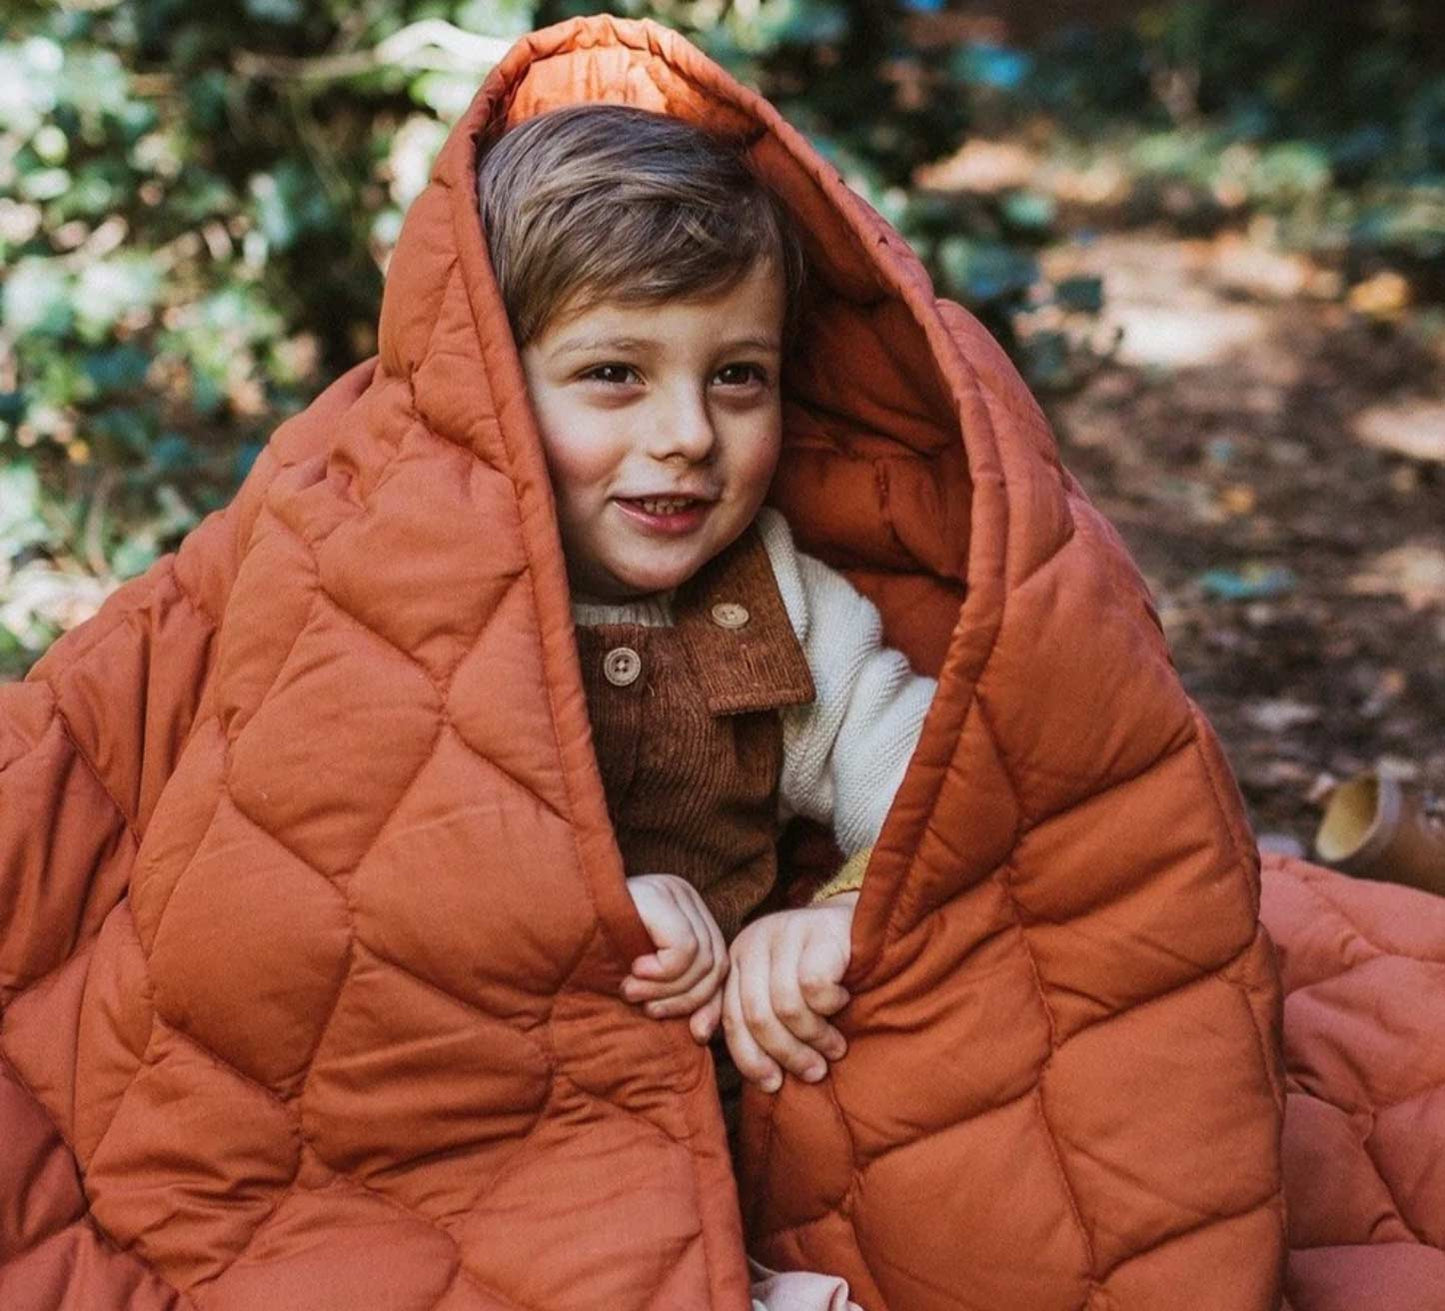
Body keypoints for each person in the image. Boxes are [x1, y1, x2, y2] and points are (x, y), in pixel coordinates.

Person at [477, 103, 937, 1101]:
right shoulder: (431, 591)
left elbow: (938, 783)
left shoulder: (777, 606)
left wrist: (835, 918)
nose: (687, 432)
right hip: (474, 1073)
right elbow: (353, 837)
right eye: (612, 373)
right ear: (490, 391)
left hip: (708, 1095)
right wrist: (579, 910)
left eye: (736, 375)